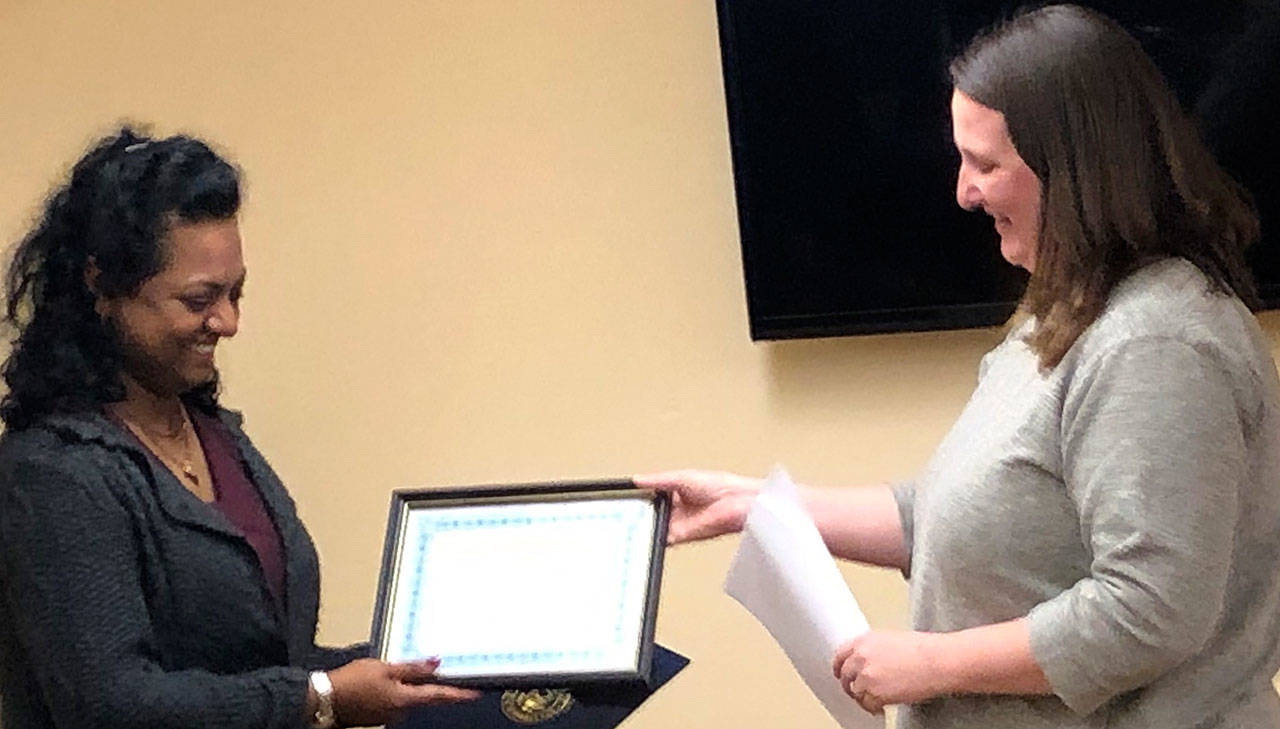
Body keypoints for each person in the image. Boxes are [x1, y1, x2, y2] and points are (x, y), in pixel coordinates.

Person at [637, 5, 1280, 727]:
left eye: (985, 164)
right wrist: (753, 506)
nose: (963, 192)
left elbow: (1150, 608)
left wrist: (928, 662)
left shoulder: (1157, 343)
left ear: (1072, 170)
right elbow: (944, 514)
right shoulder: (1068, 309)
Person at [0, 128, 480, 729]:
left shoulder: (216, 435)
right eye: (200, 299)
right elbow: (113, 705)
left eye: (236, 293)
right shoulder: (53, 471)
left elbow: (270, 664)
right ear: (101, 286)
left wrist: (406, 668)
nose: (227, 322)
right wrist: (323, 698)